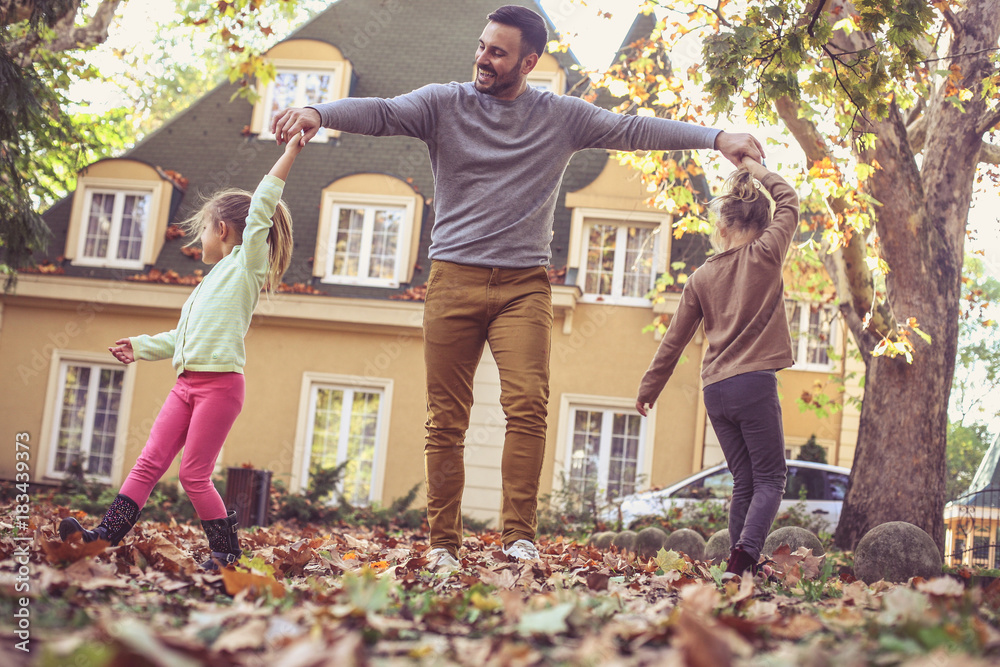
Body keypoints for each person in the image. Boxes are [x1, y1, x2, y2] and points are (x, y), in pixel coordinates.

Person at [270, 5, 764, 572]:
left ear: (529, 61)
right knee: (445, 418)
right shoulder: (442, 104)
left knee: (528, 404)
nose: (482, 59)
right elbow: (380, 112)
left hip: (523, 287)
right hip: (452, 278)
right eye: (482, 46)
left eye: (497, 52)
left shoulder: (560, 116)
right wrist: (318, 110)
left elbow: (633, 129)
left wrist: (717, 136)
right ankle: (443, 546)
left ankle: (518, 536)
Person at [59, 138, 301, 570]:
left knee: (193, 474)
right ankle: (103, 534)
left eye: (203, 230)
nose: (198, 239)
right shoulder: (206, 285)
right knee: (149, 461)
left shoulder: (247, 266)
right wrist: (141, 346)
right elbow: (183, 339)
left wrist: (288, 155)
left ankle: (226, 551)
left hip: (221, 387)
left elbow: (263, 204)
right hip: (186, 385)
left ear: (223, 231)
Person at [635, 155, 798, 580]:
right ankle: (744, 556)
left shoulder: (700, 278)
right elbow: (790, 201)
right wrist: (758, 169)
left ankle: (735, 571)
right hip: (754, 383)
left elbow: (674, 341)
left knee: (744, 480)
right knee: (770, 478)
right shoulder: (767, 251)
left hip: (716, 392)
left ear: (721, 227)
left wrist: (648, 390)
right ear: (764, 226)